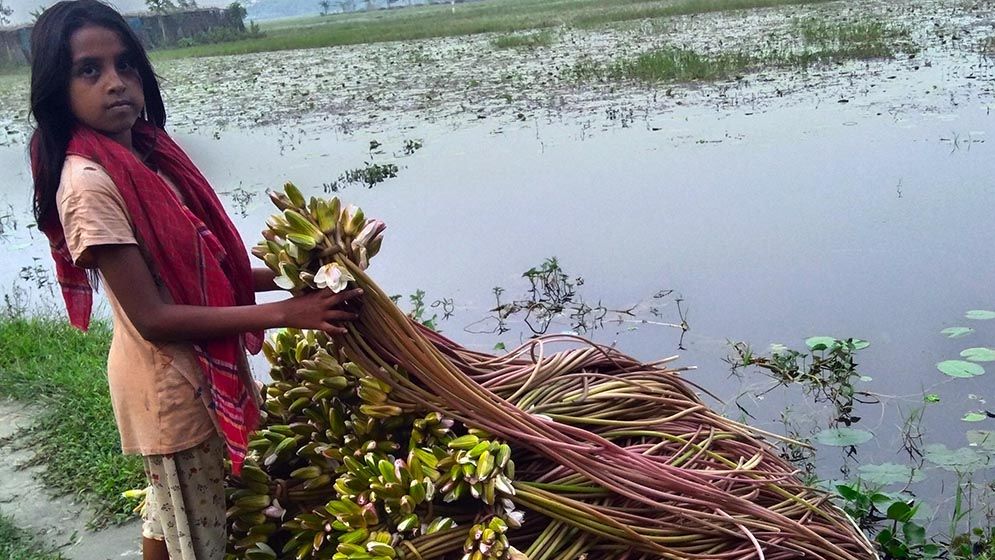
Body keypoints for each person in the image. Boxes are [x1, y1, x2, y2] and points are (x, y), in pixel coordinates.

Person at [27, 1, 360, 558]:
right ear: (57, 89)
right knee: (203, 535)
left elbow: (208, 277)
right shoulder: (88, 186)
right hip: (172, 388)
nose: (116, 84)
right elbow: (155, 318)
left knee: (169, 513)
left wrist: (292, 277)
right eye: (90, 70)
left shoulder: (150, 160)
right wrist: (285, 315)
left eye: (125, 65)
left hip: (191, 371)